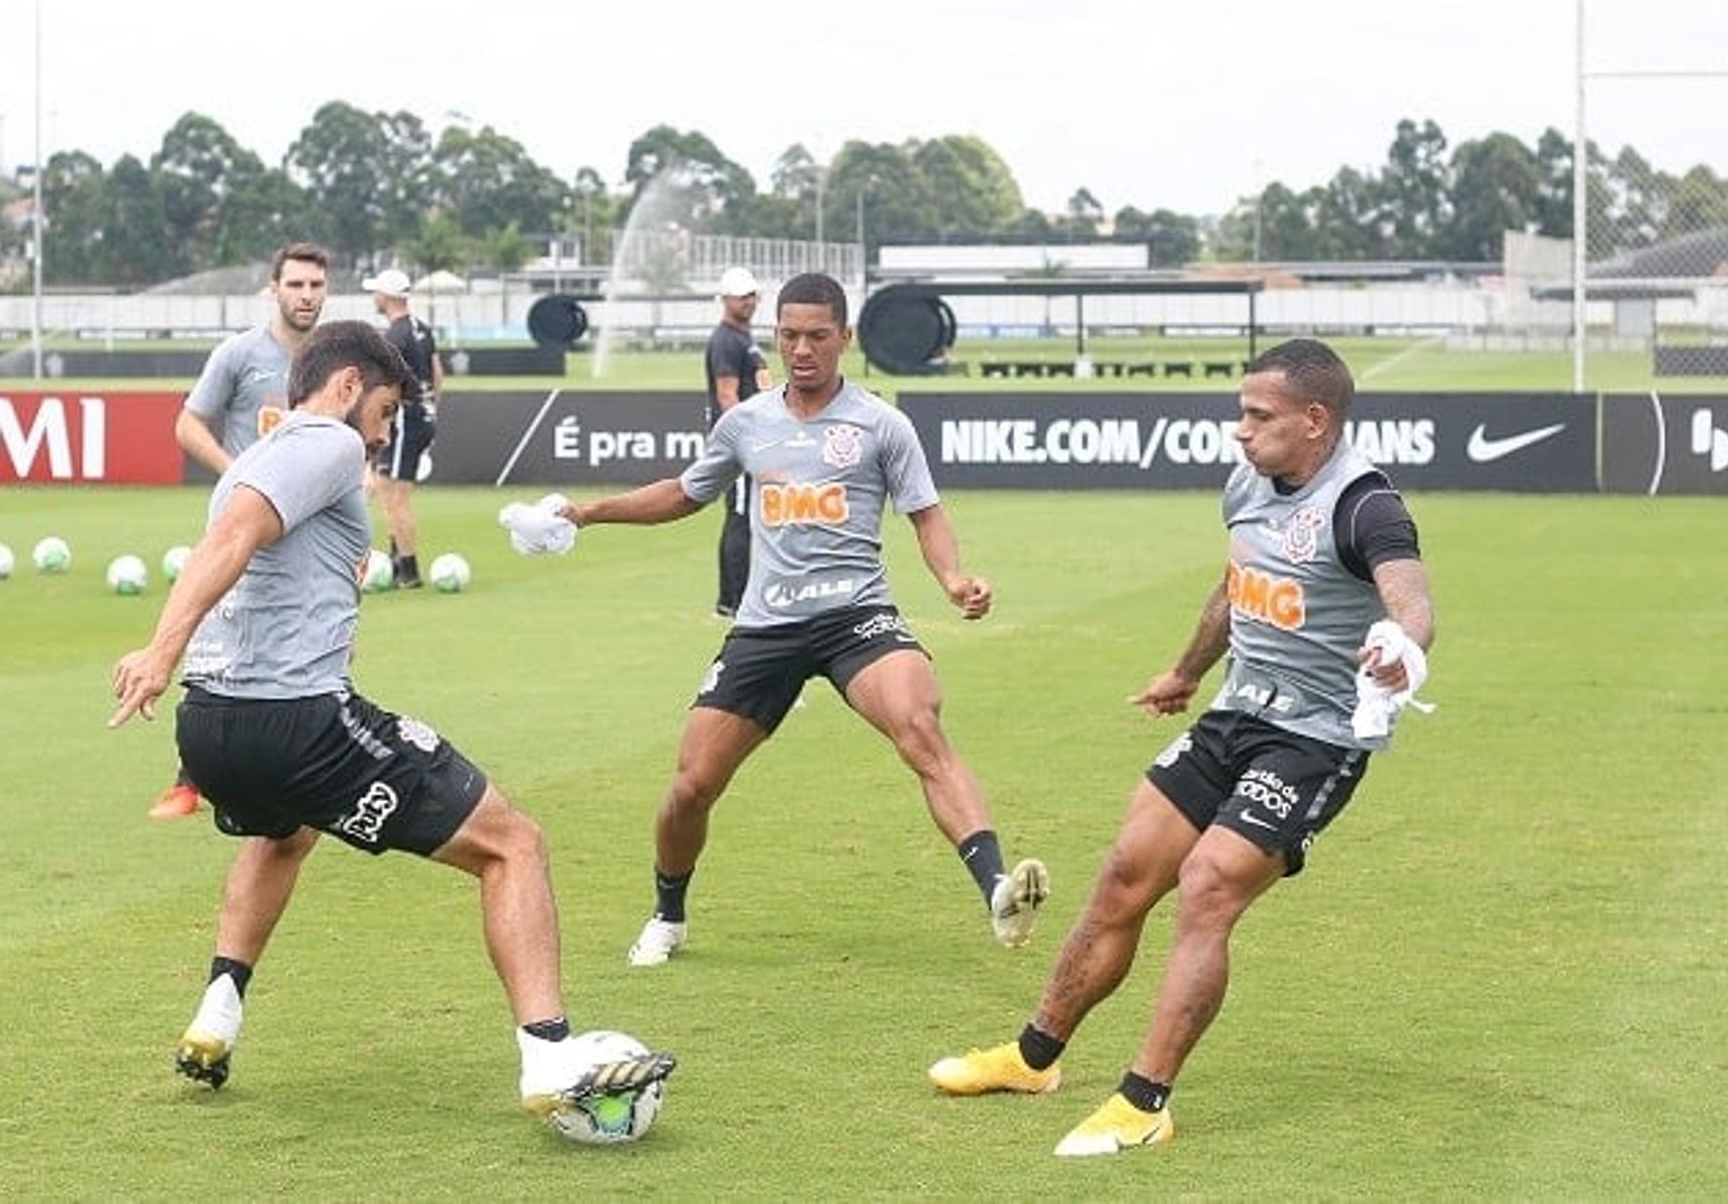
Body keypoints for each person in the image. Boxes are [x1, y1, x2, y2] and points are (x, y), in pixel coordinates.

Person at [107, 320, 674, 1114]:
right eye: (385, 408)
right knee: (513, 844)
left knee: (285, 833)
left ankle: (218, 1013)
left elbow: (248, 554)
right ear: (345, 388)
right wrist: (159, 650)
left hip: (211, 725)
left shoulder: (260, 453)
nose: (385, 429)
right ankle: (548, 1056)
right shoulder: (328, 444)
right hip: (293, 720)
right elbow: (235, 539)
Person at [926, 337, 1436, 1158]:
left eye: (1258, 416)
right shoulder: (1248, 482)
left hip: (1314, 738)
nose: (1240, 430)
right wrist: (1186, 671)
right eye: (1241, 412)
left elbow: (1412, 604)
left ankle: (1144, 1101)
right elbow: (1237, 585)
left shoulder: (1365, 504)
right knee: (1126, 873)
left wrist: (1400, 647)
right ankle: (1033, 1058)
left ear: (1315, 420)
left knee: (1206, 888)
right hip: (1235, 713)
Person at [551, 272, 1048, 967]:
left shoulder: (882, 424)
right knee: (692, 784)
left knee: (919, 722)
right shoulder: (747, 422)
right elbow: (686, 494)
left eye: (818, 335)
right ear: (775, 337)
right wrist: (589, 512)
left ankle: (997, 887)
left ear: (845, 337)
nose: (803, 349)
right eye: (790, 335)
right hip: (767, 627)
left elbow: (925, 513)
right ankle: (668, 913)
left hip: (857, 615)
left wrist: (952, 578)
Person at [148, 241, 330, 820]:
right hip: (244, 528)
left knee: (320, 637)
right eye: (296, 284)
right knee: (219, 640)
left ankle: (307, 760)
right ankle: (188, 777)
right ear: (273, 289)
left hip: (311, 531)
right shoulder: (240, 354)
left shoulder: (333, 362)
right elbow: (187, 424)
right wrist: (239, 473)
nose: (306, 295)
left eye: (315, 285)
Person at [362, 266, 443, 589]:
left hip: (406, 420)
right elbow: (438, 376)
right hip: (423, 415)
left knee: (393, 497)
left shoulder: (395, 335)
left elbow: (385, 385)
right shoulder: (422, 329)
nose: (374, 298)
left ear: (387, 296)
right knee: (394, 492)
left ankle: (408, 570)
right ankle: (397, 561)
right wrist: (431, 411)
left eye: (376, 292)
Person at [703, 265, 772, 617]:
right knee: (741, 516)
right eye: (741, 296)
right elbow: (727, 396)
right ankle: (732, 601)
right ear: (725, 299)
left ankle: (736, 598)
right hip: (741, 441)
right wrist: (748, 438)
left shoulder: (744, 337)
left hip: (751, 437)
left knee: (747, 516)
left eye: (751, 296)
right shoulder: (727, 340)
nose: (748, 302)